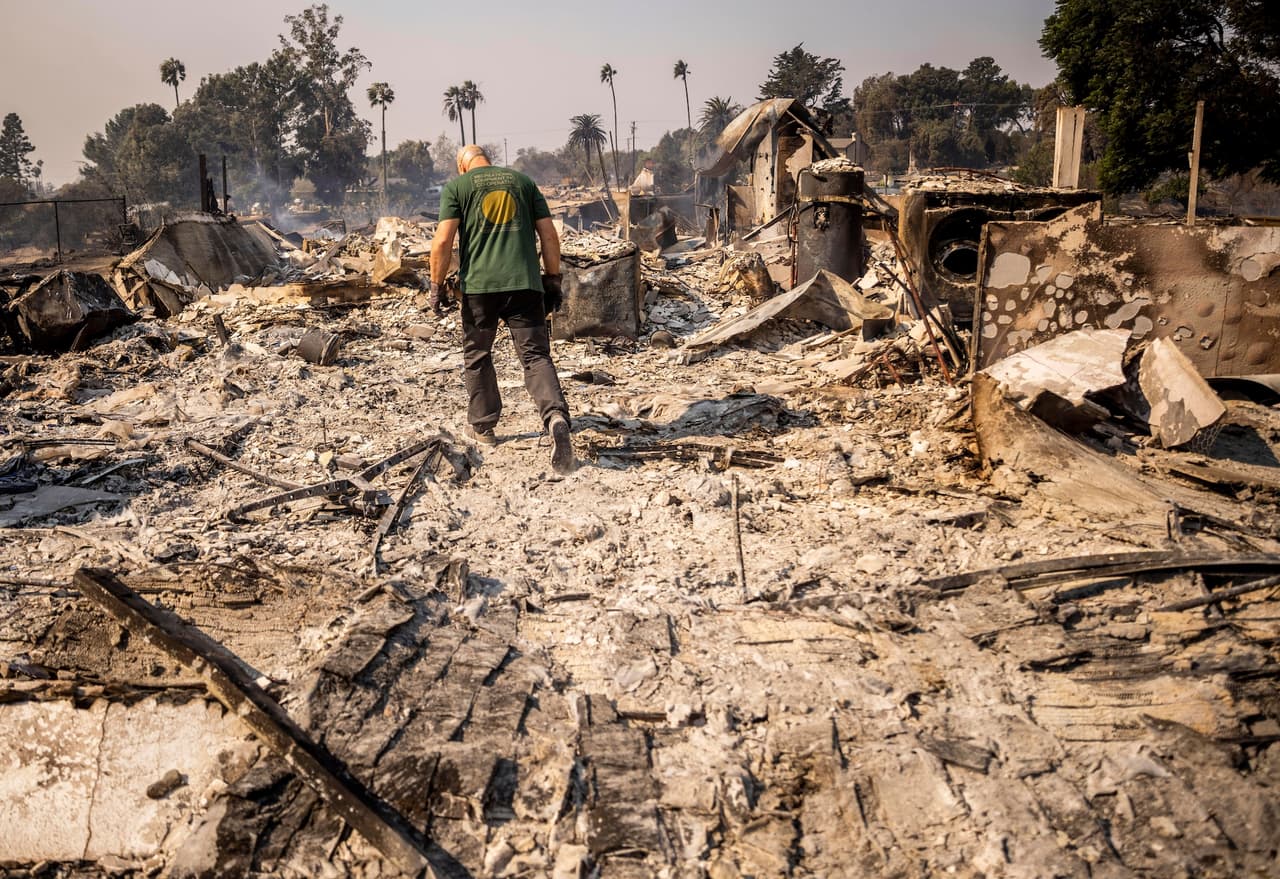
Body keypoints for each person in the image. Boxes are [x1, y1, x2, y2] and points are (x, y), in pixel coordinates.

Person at [429, 145, 573, 474]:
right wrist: (553, 280)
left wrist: (436, 286)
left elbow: (442, 242)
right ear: (488, 161)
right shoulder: (523, 182)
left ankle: (483, 427)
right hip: (525, 285)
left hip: (480, 290)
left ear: (462, 166)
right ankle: (555, 417)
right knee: (535, 356)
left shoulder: (458, 187)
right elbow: (549, 235)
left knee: (478, 354)